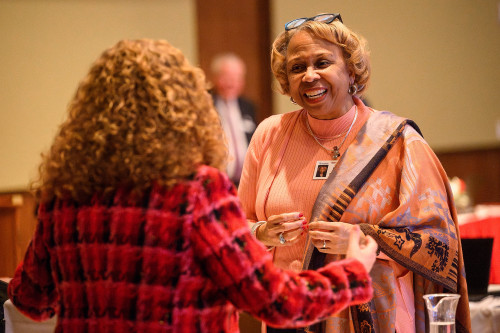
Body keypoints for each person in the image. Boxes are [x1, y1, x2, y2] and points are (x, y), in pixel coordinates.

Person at [7, 39, 378, 333]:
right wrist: (352, 272)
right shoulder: (195, 191)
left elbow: (30, 300)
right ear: (184, 109)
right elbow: (275, 301)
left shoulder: (64, 196)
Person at [238, 13, 471, 333]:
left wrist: (365, 238)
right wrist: (263, 234)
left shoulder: (397, 140)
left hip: (374, 319)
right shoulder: (269, 134)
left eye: (322, 62)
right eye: (296, 67)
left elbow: (439, 245)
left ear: (351, 70)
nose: (309, 76)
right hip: (288, 316)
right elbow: (233, 233)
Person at [210, 53, 257, 186]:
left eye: (237, 78)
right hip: (217, 182)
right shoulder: (206, 106)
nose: (231, 83)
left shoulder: (248, 107)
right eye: (226, 77)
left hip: (246, 182)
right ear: (215, 78)